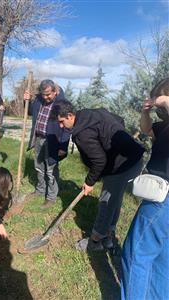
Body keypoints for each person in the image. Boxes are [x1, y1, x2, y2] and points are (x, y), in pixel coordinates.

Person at [51, 100, 145, 250]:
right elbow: (119, 120)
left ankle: (95, 241)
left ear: (69, 115)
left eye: (61, 122)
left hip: (121, 165)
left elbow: (99, 161)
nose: (61, 126)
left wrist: (89, 182)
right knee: (115, 198)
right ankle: (108, 235)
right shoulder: (89, 113)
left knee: (105, 202)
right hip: (134, 158)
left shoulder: (82, 133)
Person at [120, 78, 169, 300]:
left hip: (162, 202)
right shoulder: (165, 126)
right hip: (161, 199)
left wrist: (163, 99)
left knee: (135, 255)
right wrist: (146, 112)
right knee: (161, 259)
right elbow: (146, 129)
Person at [24, 79, 70, 209]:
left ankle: (51, 197)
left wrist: (63, 147)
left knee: (50, 170)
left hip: (53, 141)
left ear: (55, 92)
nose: (46, 97)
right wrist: (26, 100)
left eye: (48, 94)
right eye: (43, 94)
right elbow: (30, 111)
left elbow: (67, 128)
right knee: (38, 167)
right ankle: (40, 191)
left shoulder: (62, 104)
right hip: (39, 138)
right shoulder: (39, 99)